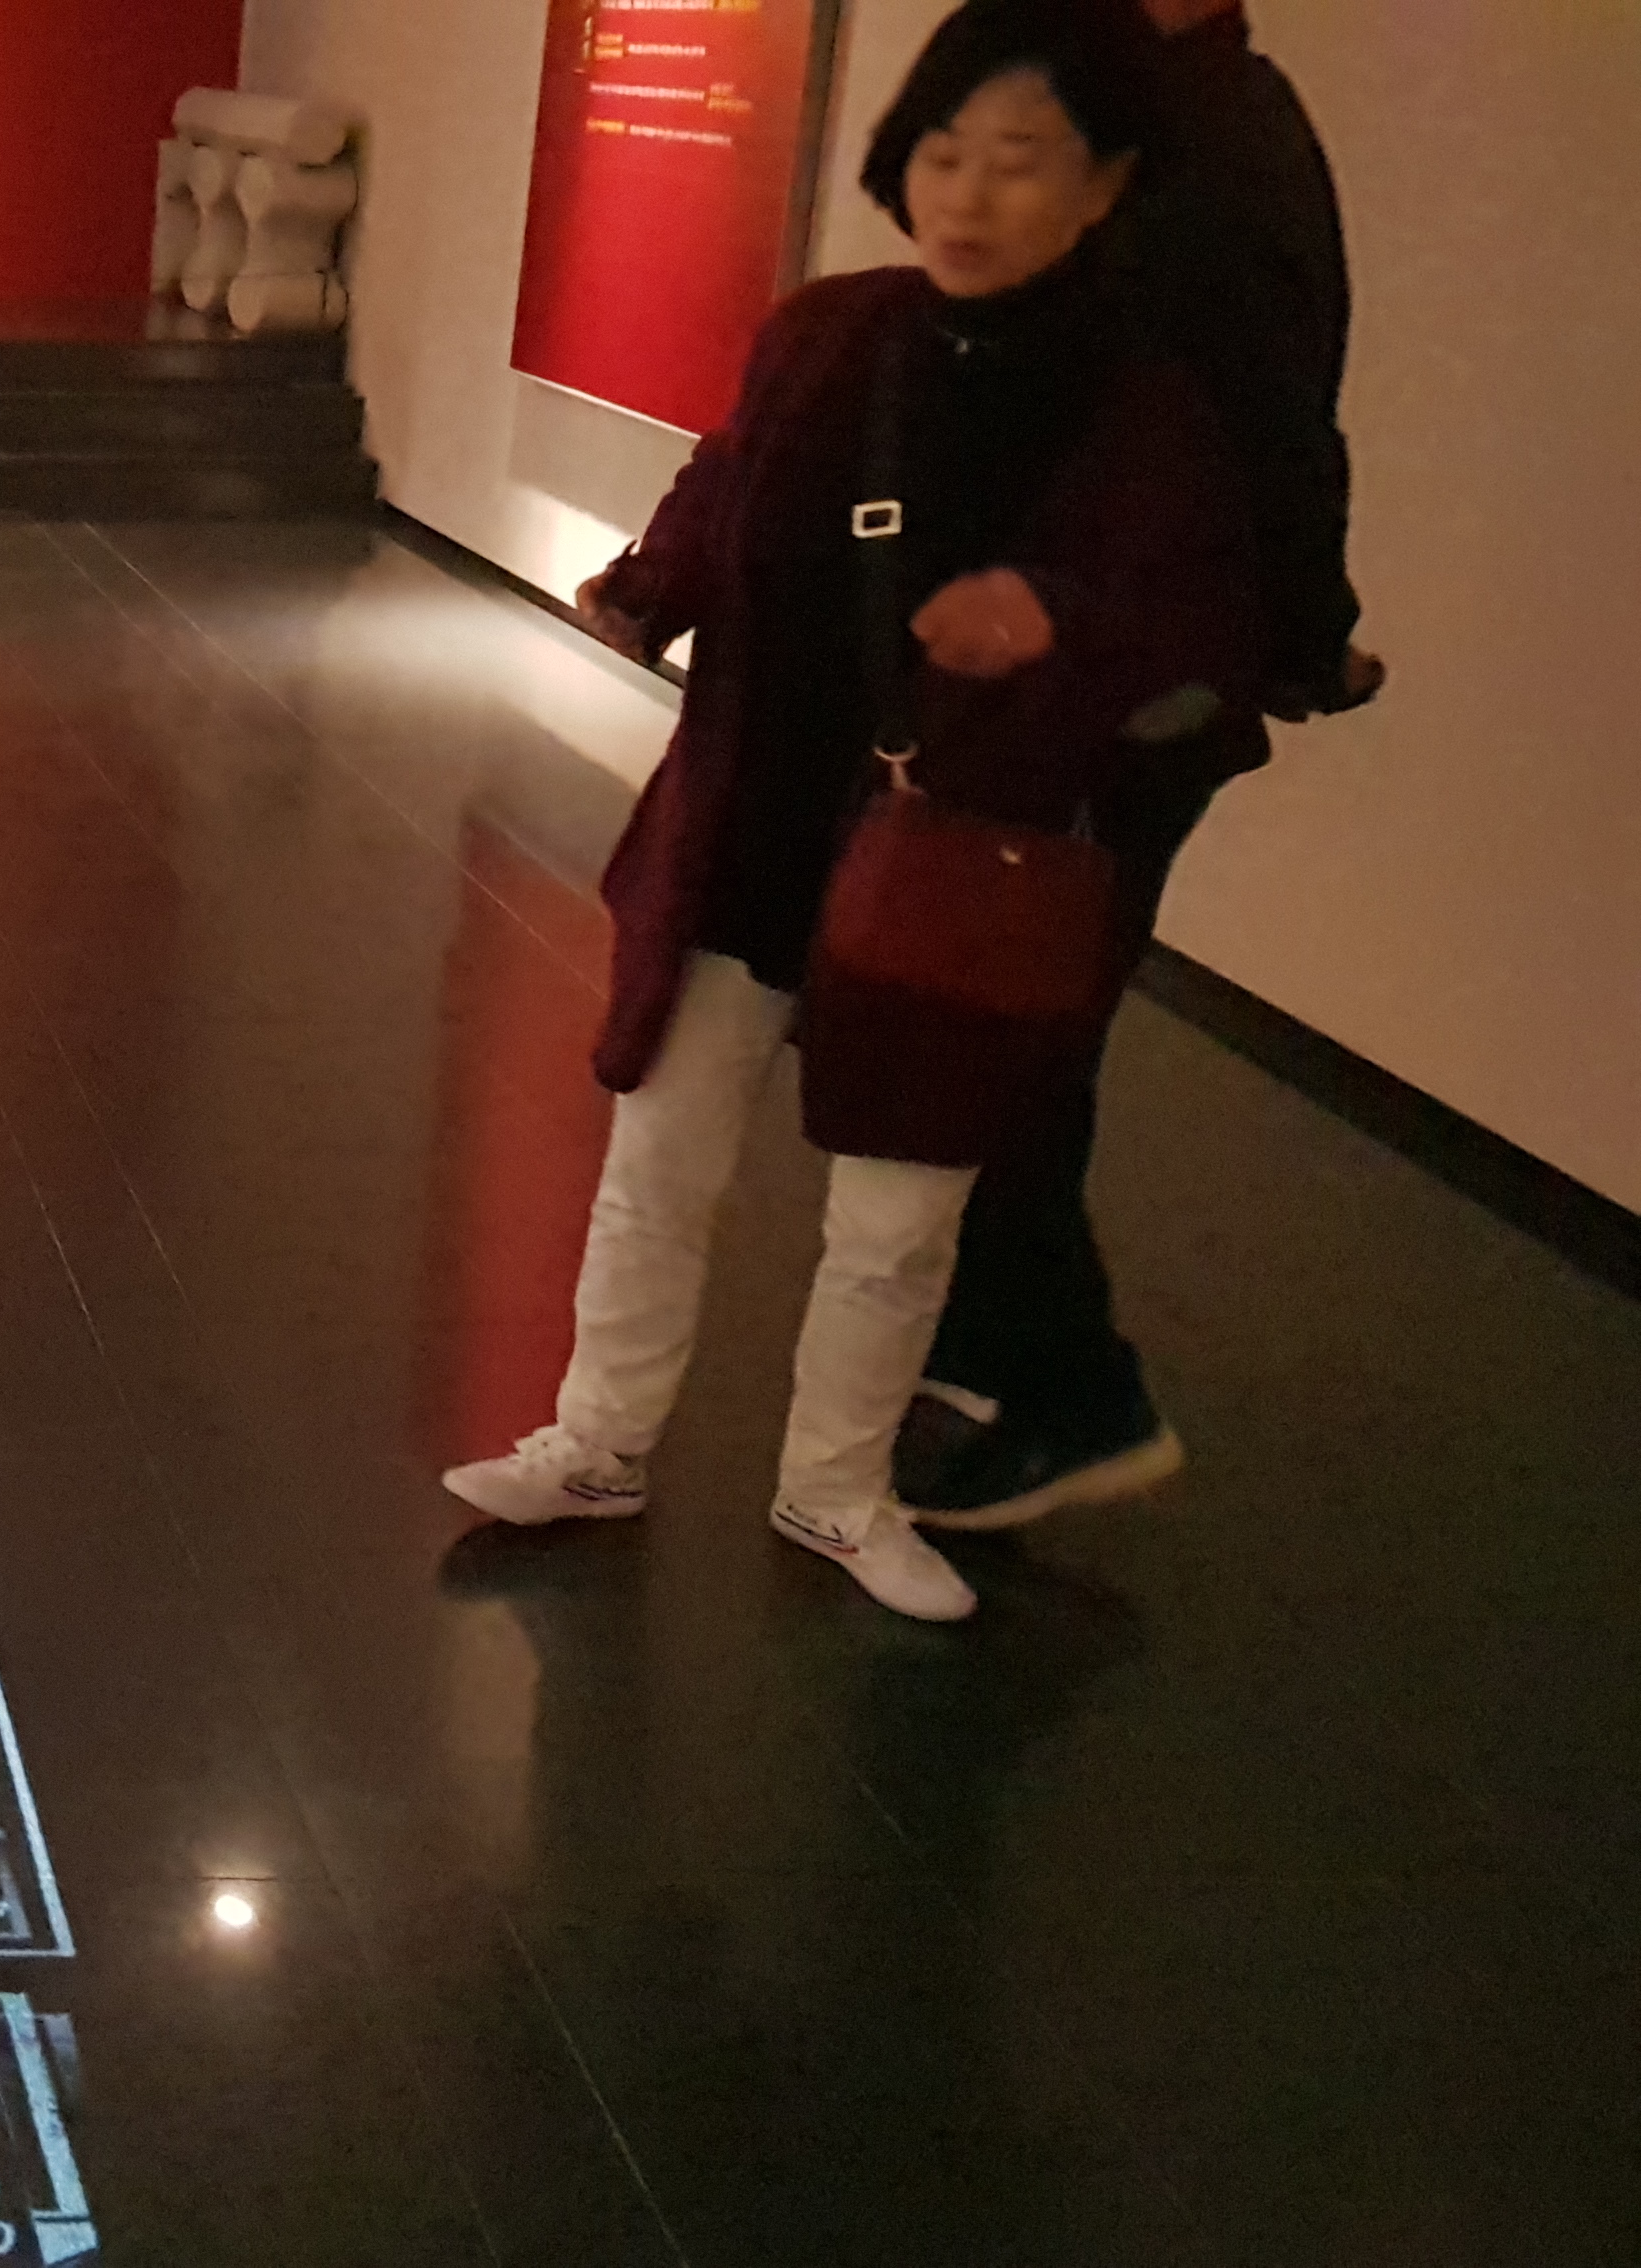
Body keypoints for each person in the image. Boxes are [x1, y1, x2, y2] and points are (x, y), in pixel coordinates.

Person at [442, 0, 1259, 1622]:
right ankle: (597, 1445)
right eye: (943, 153)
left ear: (1104, 184)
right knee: (659, 1160)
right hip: (749, 823)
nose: (970, 194)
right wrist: (648, 587)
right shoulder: (830, 331)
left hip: (954, 859)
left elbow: (1197, 625)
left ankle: (834, 1490)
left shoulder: (1139, 400)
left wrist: (1053, 618)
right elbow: (727, 477)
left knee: (896, 1216)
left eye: (1020, 160)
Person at [903, 0, 1380, 1531]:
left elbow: (1273, 430)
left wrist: (1301, 634)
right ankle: (988, 1339)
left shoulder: (1210, 144)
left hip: (1120, 674)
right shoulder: (1181, 108)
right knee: (996, 1006)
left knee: (1013, 1030)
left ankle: (1074, 1391)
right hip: (1089, 654)